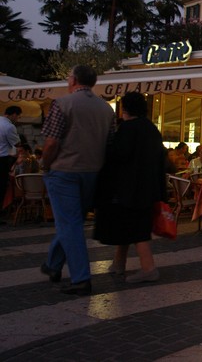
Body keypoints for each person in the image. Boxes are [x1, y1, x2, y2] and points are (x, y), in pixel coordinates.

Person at [40, 65, 116, 296]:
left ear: (73, 80)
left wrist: (45, 165)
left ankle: (81, 278)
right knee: (73, 221)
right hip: (92, 172)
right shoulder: (106, 109)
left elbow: (51, 142)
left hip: (64, 170)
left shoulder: (62, 104)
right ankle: (53, 264)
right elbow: (110, 144)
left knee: (69, 224)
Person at [94, 92, 167, 284]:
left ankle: (148, 268)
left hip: (128, 189)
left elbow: (118, 156)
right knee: (129, 225)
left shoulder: (127, 129)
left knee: (137, 229)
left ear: (124, 109)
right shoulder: (151, 129)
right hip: (148, 188)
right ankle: (118, 263)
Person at [1, 106, 22, 215]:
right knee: (1, 187)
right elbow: (17, 143)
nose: (18, 119)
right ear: (14, 114)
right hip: (2, 160)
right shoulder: (9, 126)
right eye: (18, 116)